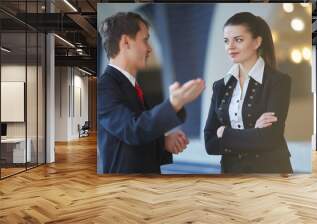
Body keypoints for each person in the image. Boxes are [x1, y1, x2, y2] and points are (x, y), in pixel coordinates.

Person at [98, 12, 204, 173]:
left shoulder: (130, 85)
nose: (149, 48)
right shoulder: (104, 86)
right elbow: (133, 130)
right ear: (126, 41)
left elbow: (133, 139)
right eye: (145, 40)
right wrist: (174, 103)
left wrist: (163, 143)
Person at [204, 12, 292, 173]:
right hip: (231, 173)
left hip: (271, 172)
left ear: (257, 42)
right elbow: (209, 143)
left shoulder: (278, 81)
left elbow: (270, 138)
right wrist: (254, 133)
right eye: (226, 41)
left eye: (238, 40)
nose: (230, 46)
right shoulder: (220, 86)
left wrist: (225, 133)